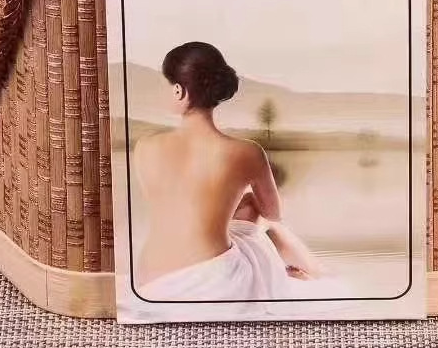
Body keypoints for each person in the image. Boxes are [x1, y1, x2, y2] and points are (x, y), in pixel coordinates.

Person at [131, 41, 321, 300]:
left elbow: (174, 205)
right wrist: (245, 199)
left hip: (151, 278)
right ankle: (306, 274)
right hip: (214, 278)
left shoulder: (144, 147)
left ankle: (293, 274)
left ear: (179, 91)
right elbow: (274, 213)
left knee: (246, 212)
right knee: (260, 216)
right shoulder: (247, 152)